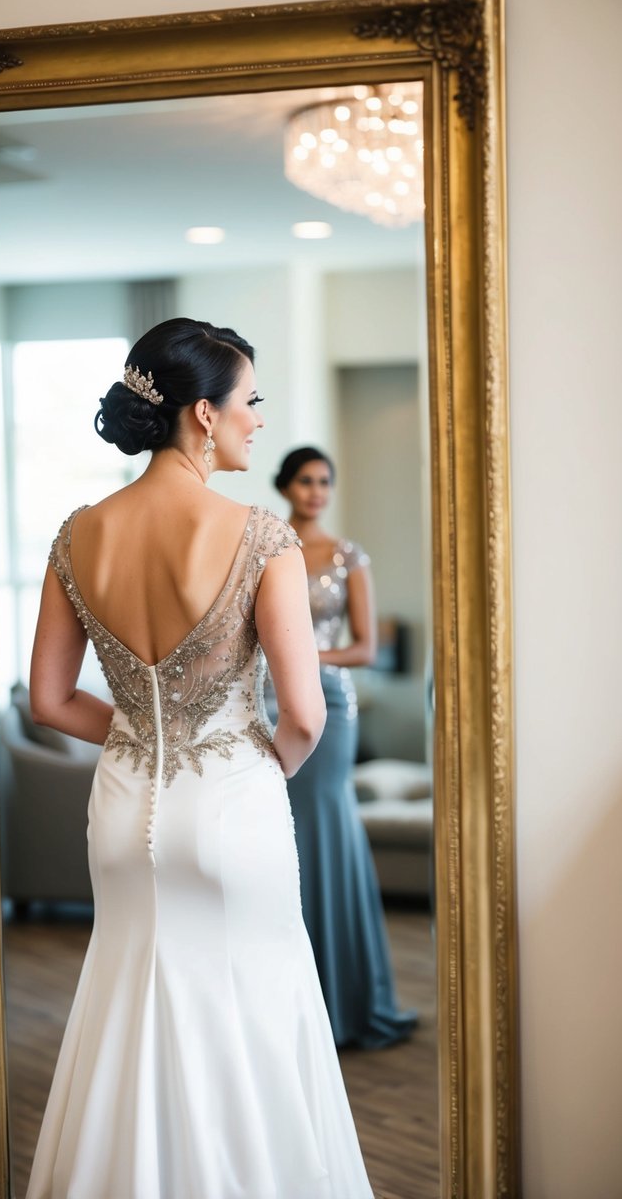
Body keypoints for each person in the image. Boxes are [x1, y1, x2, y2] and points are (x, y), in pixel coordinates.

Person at [25, 321, 374, 1198]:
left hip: (119, 816)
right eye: (248, 401)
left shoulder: (78, 536)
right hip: (231, 809)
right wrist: (246, 772)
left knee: (127, 1020)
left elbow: (51, 700)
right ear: (202, 415)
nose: (257, 420)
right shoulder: (261, 539)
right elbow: (301, 715)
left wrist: (150, 735)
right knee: (251, 1025)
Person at [273, 446, 417, 1050]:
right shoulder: (266, 545)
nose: (315, 491)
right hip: (268, 699)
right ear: (286, 485)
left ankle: (346, 999)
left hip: (331, 706)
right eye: (305, 480)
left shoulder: (349, 556)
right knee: (280, 833)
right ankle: (285, 1002)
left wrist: (302, 659)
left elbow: (365, 648)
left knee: (325, 827)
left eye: (324, 481)